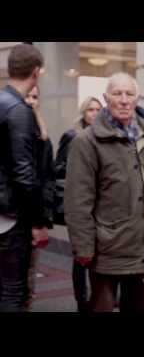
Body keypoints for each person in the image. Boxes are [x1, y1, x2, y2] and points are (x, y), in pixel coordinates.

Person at [64, 72, 144, 312]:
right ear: (105, 98)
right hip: (106, 252)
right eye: (116, 93)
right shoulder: (86, 142)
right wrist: (84, 249)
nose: (123, 100)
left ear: (137, 98)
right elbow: (78, 202)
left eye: (129, 94)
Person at [0, 44, 51, 312]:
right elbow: (23, 175)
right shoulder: (18, 110)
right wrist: (39, 221)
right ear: (35, 72)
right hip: (11, 219)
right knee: (13, 293)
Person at [54, 96, 102, 312]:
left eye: (98, 109)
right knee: (79, 257)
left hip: (99, 206)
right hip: (80, 204)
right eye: (90, 109)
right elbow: (58, 170)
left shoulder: (103, 136)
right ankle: (81, 301)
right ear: (83, 112)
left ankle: (96, 298)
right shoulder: (72, 136)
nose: (94, 113)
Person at [23, 85, 55, 311]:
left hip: (30, 218)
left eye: (35, 97)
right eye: (27, 95)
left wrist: (42, 221)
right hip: (7, 217)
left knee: (27, 278)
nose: (31, 101)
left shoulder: (43, 139)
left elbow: (47, 182)